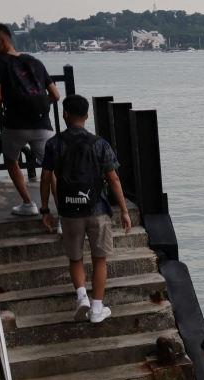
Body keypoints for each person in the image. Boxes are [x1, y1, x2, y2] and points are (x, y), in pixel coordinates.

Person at [40, 95, 132, 324]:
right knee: (100, 259)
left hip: (69, 210)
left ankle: (82, 297)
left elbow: (45, 178)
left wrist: (44, 209)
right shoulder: (99, 143)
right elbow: (113, 180)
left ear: (65, 115)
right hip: (97, 207)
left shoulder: (53, 143)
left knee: (75, 258)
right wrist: (124, 210)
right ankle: (97, 308)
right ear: (87, 116)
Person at [0, 23, 60, 216]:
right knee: (52, 169)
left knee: (11, 160)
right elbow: (55, 95)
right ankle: (63, 215)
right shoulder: (34, 62)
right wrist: (37, 108)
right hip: (42, 123)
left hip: (15, 125)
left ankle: (28, 204)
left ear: (2, 40)